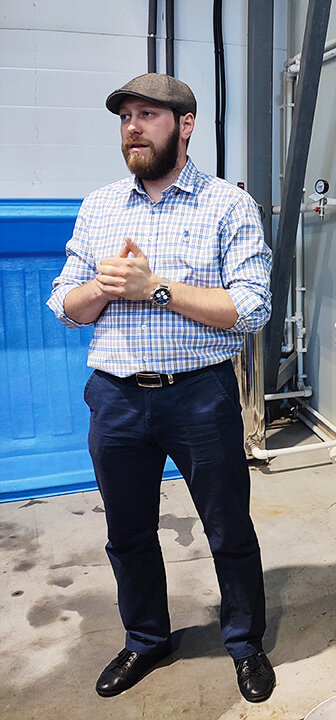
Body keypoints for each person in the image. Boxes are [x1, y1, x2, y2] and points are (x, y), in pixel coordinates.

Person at [46, 73, 276, 703]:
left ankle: (245, 643)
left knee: (227, 528)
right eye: (126, 117)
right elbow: (64, 306)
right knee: (127, 533)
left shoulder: (227, 205)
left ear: (185, 125)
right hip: (116, 398)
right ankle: (146, 639)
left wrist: (156, 289)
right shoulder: (99, 207)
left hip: (199, 396)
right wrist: (102, 287)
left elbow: (252, 308)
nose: (133, 128)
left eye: (148, 115)